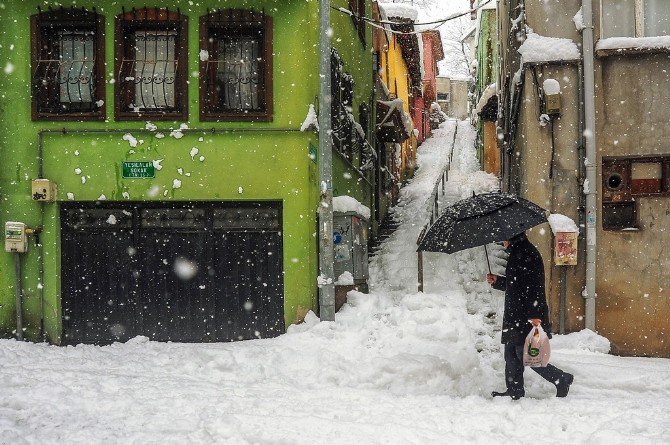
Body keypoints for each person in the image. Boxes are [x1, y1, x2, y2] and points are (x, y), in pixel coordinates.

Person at [486, 232, 574, 400]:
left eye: (503, 238)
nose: (501, 241)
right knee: (511, 355)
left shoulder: (526, 254)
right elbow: (515, 285)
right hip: (515, 314)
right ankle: (514, 390)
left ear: (511, 237)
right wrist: (497, 281)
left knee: (526, 354)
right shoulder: (518, 253)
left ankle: (561, 378)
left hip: (525, 315)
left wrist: (535, 317)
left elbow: (533, 289)